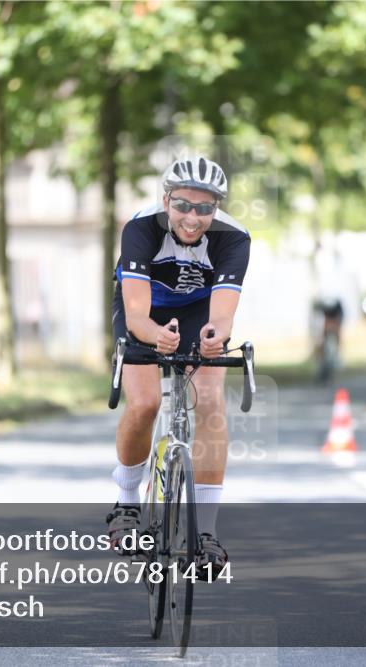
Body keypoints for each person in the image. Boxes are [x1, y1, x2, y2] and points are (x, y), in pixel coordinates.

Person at [106, 155, 251, 581]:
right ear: (166, 200)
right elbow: (136, 314)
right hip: (144, 312)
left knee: (209, 402)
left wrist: (214, 338)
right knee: (145, 403)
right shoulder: (140, 229)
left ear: (216, 208)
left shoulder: (234, 238)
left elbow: (222, 316)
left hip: (197, 313)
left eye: (204, 208)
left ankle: (205, 533)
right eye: (183, 205)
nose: (192, 217)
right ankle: (127, 504)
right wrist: (155, 336)